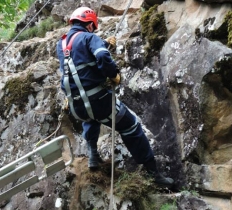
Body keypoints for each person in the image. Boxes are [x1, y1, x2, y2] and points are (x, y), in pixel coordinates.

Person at [56, 7, 174, 187]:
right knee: (131, 127)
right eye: (93, 28)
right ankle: (154, 174)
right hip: (99, 102)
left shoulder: (62, 44)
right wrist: (113, 74)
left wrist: (103, 43)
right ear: (89, 25)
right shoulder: (90, 37)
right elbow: (101, 56)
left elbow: (77, 61)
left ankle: (93, 155)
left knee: (91, 118)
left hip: (77, 106)